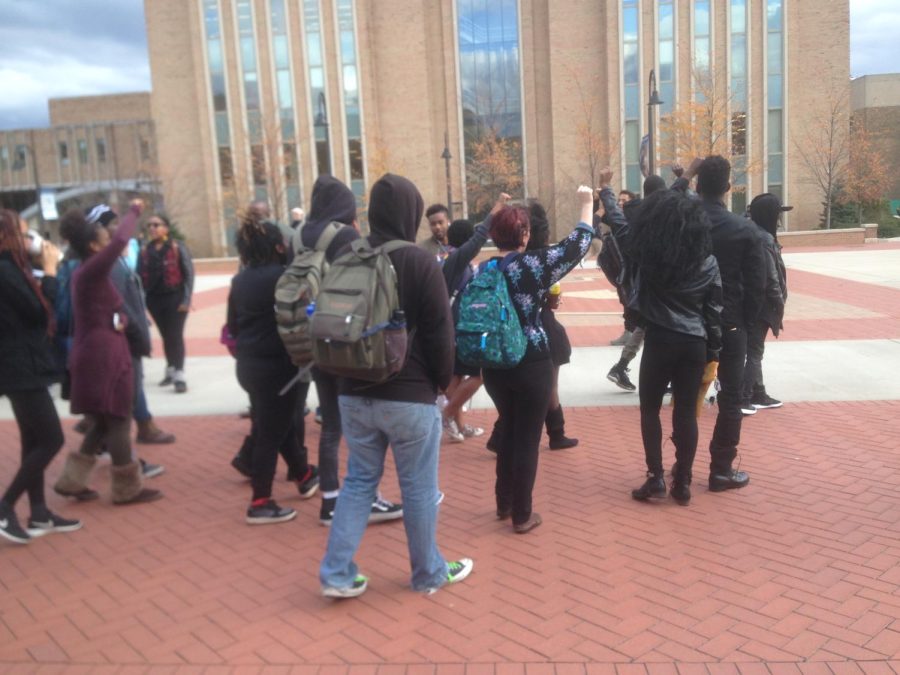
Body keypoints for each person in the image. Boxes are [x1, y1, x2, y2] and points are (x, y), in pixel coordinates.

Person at [320, 174, 472, 598]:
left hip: (353, 389)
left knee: (358, 483)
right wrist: (444, 385)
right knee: (419, 488)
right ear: (410, 212)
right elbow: (443, 333)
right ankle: (428, 573)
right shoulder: (419, 261)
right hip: (409, 395)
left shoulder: (348, 254)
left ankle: (336, 575)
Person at [481, 185, 596, 534]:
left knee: (510, 431)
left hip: (495, 364)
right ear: (525, 234)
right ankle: (522, 514)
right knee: (528, 438)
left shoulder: (484, 270)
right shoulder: (534, 265)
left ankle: (503, 503)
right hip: (531, 361)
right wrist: (587, 203)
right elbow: (577, 244)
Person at [296, 175, 402, 526]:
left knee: (331, 425)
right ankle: (368, 497)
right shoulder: (343, 235)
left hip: (310, 335)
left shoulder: (296, 234)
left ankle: (329, 500)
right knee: (360, 424)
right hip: (343, 335)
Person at [608, 187, 723, 506]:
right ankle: (682, 481)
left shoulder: (651, 260)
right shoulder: (709, 262)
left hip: (660, 339)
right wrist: (714, 350)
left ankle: (655, 476)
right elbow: (714, 310)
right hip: (694, 342)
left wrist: (606, 195)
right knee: (686, 413)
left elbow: (621, 229)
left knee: (649, 410)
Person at [53, 201, 163, 505]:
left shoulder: (86, 273)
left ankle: (71, 481)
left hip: (96, 349)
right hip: (104, 356)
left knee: (102, 422)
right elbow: (119, 242)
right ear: (91, 244)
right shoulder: (92, 268)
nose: (110, 235)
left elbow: (104, 310)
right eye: (103, 232)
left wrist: (121, 320)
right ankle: (127, 488)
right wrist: (134, 213)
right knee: (118, 418)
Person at [227, 218, 319, 524]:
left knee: (279, 424)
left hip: (248, 366)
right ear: (278, 246)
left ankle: (304, 474)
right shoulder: (283, 277)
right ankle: (260, 500)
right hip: (277, 366)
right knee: (270, 432)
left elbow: (234, 325)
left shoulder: (240, 280)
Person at [0, 210, 82, 544]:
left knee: (33, 439)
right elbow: (38, 312)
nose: (29, 240)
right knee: (51, 439)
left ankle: (38, 511)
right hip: (21, 366)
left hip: (22, 363)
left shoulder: (12, 268)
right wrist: (49, 274)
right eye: (22, 234)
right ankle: (5, 507)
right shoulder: (5, 270)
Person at [691, 156, 766, 491]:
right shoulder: (744, 230)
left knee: (684, 395)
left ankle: (679, 469)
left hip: (689, 322)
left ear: (697, 184)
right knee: (731, 399)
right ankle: (720, 468)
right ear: (727, 187)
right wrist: (746, 325)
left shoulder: (683, 224)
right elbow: (757, 285)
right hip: (730, 322)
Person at [439, 201, 507, 443]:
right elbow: (478, 238)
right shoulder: (456, 259)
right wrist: (493, 212)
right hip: (458, 331)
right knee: (479, 374)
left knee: (456, 378)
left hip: (457, 329)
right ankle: (446, 415)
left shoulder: (456, 261)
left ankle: (459, 425)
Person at [523, 202, 579, 450]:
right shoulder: (546, 261)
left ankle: (502, 435)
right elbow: (552, 300)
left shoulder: (513, 261)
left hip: (521, 330)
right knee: (548, 386)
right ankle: (556, 433)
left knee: (523, 387)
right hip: (544, 328)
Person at [607, 174, 668, 387]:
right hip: (661, 286)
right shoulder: (662, 217)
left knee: (643, 327)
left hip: (638, 283)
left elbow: (614, 218)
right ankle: (659, 377)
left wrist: (605, 188)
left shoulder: (633, 218)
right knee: (660, 331)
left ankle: (621, 366)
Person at [741, 193, 789, 412]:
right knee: (754, 351)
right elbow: (771, 278)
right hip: (761, 304)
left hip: (754, 302)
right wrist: (779, 304)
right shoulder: (764, 239)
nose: (780, 218)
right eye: (778, 213)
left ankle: (758, 392)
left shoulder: (753, 234)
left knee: (754, 349)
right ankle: (744, 396)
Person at [138, 213, 194, 393]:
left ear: (166, 228)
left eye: (156, 224)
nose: (152, 228)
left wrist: (186, 299)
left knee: (175, 335)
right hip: (155, 300)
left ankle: (179, 374)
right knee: (165, 336)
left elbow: (188, 274)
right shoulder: (145, 250)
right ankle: (170, 369)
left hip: (175, 298)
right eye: (150, 226)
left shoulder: (177, 247)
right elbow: (139, 278)